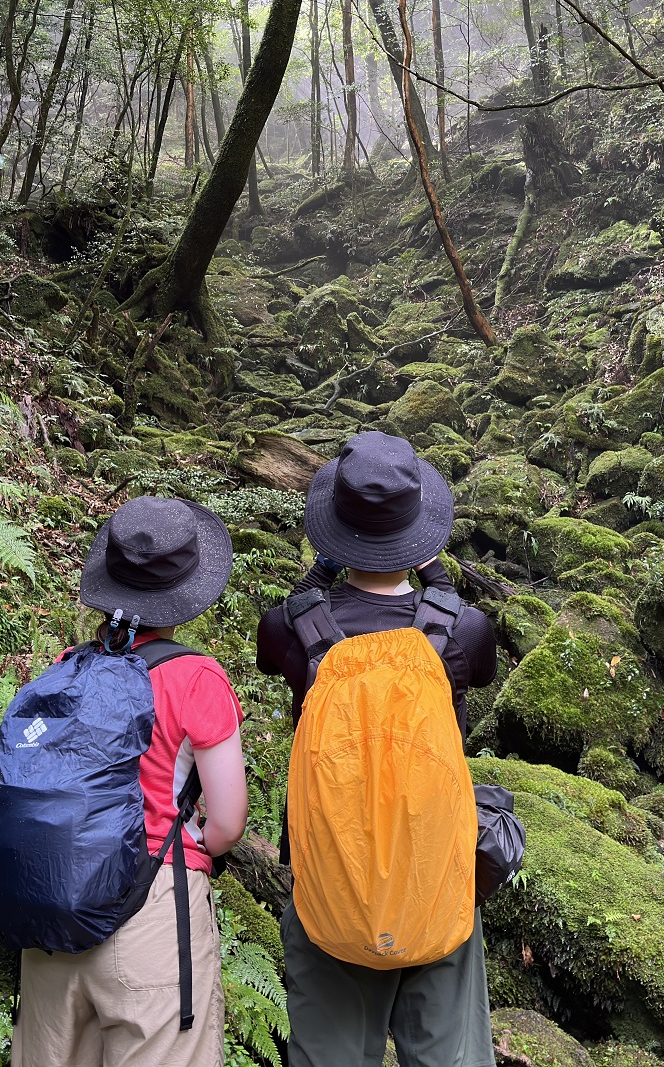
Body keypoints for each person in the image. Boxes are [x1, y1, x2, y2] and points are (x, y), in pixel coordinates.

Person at [255, 432, 499, 1067]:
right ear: (421, 532)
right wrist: (437, 574)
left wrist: (319, 574)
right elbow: (475, 667)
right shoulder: (464, 630)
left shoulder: (290, 628)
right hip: (434, 874)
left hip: (331, 875)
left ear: (331, 527)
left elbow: (286, 628)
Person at [12, 495, 249, 1067]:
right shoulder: (196, 678)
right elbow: (227, 821)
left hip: (54, 900)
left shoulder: (69, 665)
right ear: (185, 593)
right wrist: (194, 847)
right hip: (152, 904)